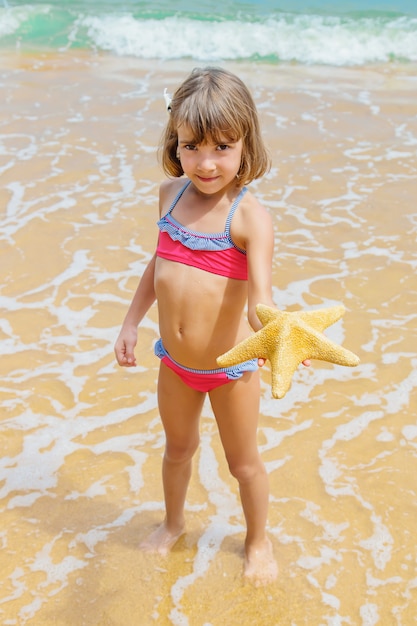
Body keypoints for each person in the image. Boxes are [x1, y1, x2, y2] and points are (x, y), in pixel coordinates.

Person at [114, 66, 279, 585]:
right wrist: (130, 322)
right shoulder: (169, 195)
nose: (206, 163)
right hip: (176, 362)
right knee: (177, 450)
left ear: (246, 145)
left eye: (223, 148)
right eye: (192, 146)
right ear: (176, 142)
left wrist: (279, 337)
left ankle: (257, 540)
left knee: (243, 464)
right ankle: (173, 522)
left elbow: (260, 303)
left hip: (231, 369)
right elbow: (157, 263)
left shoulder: (250, 217)